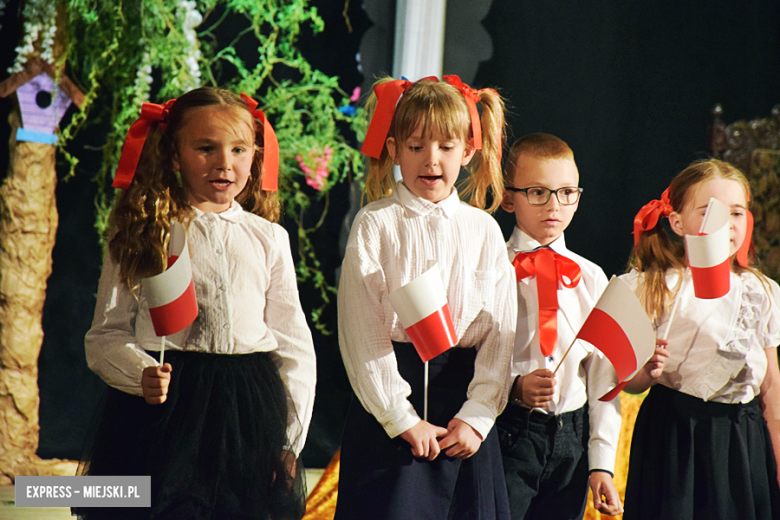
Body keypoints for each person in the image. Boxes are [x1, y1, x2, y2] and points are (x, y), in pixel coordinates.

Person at [77, 87, 316, 520]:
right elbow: (106, 334)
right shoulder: (144, 232)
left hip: (246, 410)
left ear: (254, 156)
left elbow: (294, 344)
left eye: (239, 149)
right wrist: (141, 372)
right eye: (206, 148)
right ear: (173, 154)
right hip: (165, 408)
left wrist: (288, 441)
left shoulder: (268, 239)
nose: (225, 163)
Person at [335, 75, 516, 520]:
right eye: (416, 146)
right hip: (393, 404)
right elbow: (362, 332)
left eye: (445, 147)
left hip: (464, 408)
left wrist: (478, 415)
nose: (430, 160)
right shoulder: (376, 223)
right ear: (394, 149)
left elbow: (501, 334)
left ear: (468, 151)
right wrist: (401, 417)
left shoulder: (483, 229)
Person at [622, 158, 780, 520]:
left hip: (742, 438)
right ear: (677, 222)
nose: (724, 224)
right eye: (710, 212)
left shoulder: (761, 291)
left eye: (736, 213)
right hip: (676, 435)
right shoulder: (654, 286)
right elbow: (629, 382)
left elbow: (771, 385)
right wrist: (646, 371)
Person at [497, 133, 631, 519]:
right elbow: (472, 356)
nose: (554, 205)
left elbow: (603, 376)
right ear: (509, 198)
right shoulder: (491, 268)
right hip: (510, 431)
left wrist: (601, 461)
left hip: (572, 438)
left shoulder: (592, 277)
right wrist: (514, 387)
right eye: (538, 192)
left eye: (567, 192)